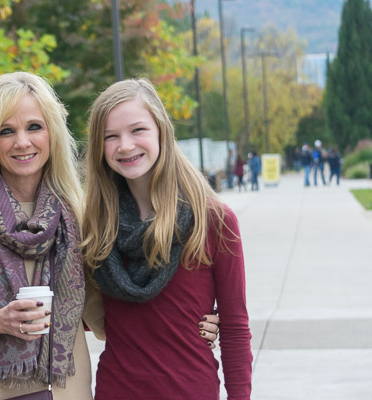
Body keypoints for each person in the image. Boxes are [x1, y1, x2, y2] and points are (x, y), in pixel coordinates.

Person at [0, 72, 219, 400]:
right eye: (6, 131)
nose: (22, 142)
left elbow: (110, 309)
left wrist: (193, 321)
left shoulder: (78, 216)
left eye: (34, 127)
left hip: (70, 390)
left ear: (52, 132)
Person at [81, 78, 252, 400]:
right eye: (110, 137)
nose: (126, 145)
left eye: (137, 130)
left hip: (191, 391)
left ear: (161, 130)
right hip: (116, 390)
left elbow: (236, 329)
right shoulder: (95, 225)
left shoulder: (213, 220)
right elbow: (84, 313)